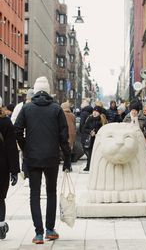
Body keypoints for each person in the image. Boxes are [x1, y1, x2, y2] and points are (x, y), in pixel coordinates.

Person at [14, 76, 71, 244]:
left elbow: (17, 130)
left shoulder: (27, 108)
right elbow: (64, 135)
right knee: (51, 193)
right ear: (48, 90)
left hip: (33, 157)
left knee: (34, 194)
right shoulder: (56, 109)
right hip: (52, 157)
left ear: (35, 89)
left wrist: (25, 147)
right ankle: (50, 229)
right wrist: (67, 157)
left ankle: (38, 233)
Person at [0, 96, 20, 240]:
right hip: (2, 167)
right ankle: (1, 227)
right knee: (0, 198)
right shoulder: (6, 122)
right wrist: (14, 171)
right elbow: (11, 148)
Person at [81, 106, 103, 171]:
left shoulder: (101, 120)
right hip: (90, 139)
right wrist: (90, 132)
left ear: (99, 113)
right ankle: (88, 166)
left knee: (97, 154)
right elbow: (84, 128)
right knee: (89, 154)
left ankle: (96, 167)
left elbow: (103, 128)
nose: (95, 113)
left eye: (96, 111)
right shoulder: (89, 119)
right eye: (94, 111)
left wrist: (97, 133)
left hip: (97, 139)